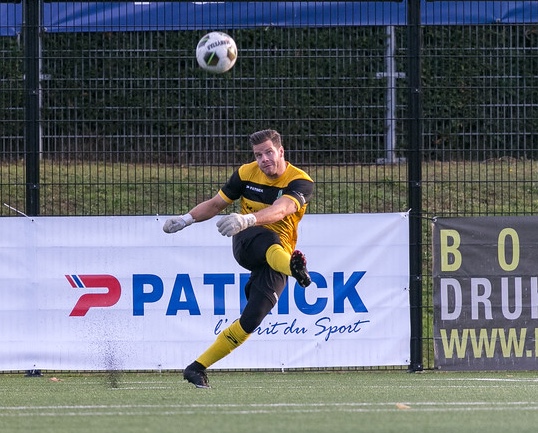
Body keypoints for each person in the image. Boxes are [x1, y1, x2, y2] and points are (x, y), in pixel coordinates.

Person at [162, 129, 314, 388]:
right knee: (268, 239)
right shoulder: (245, 173)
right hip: (247, 241)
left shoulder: (300, 181)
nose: (264, 159)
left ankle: (196, 368)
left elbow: (282, 209)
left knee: (252, 319)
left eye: (268, 152)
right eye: (258, 155)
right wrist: (186, 219)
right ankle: (293, 268)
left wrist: (248, 217)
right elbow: (216, 204)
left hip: (278, 253)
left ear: (281, 152)